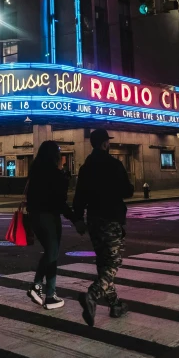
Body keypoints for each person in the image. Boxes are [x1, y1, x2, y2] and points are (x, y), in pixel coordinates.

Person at [74, 128, 134, 326]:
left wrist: (78, 219)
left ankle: (115, 304)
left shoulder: (86, 167)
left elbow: (79, 196)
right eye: (108, 141)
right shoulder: (114, 164)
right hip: (111, 217)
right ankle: (93, 294)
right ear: (104, 144)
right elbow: (127, 190)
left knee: (102, 262)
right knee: (114, 262)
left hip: (93, 219)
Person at [26, 140, 85, 310]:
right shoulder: (54, 174)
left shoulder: (35, 172)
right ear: (54, 155)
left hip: (35, 217)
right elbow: (60, 202)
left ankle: (49, 292)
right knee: (52, 254)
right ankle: (41, 289)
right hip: (50, 218)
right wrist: (76, 220)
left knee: (50, 253)